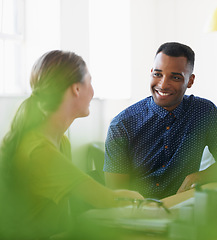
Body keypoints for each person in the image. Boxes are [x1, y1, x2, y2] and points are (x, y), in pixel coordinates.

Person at [0, 50, 143, 240]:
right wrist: (149, 202)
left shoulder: (60, 141)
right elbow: (106, 200)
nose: (92, 91)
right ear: (76, 89)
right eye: (90, 82)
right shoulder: (39, 151)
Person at [103, 42, 217, 199]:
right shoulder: (122, 124)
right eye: (158, 74)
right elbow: (117, 194)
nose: (163, 85)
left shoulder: (204, 111)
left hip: (185, 210)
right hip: (138, 214)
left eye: (175, 77)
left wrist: (199, 177)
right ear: (151, 73)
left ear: (190, 81)